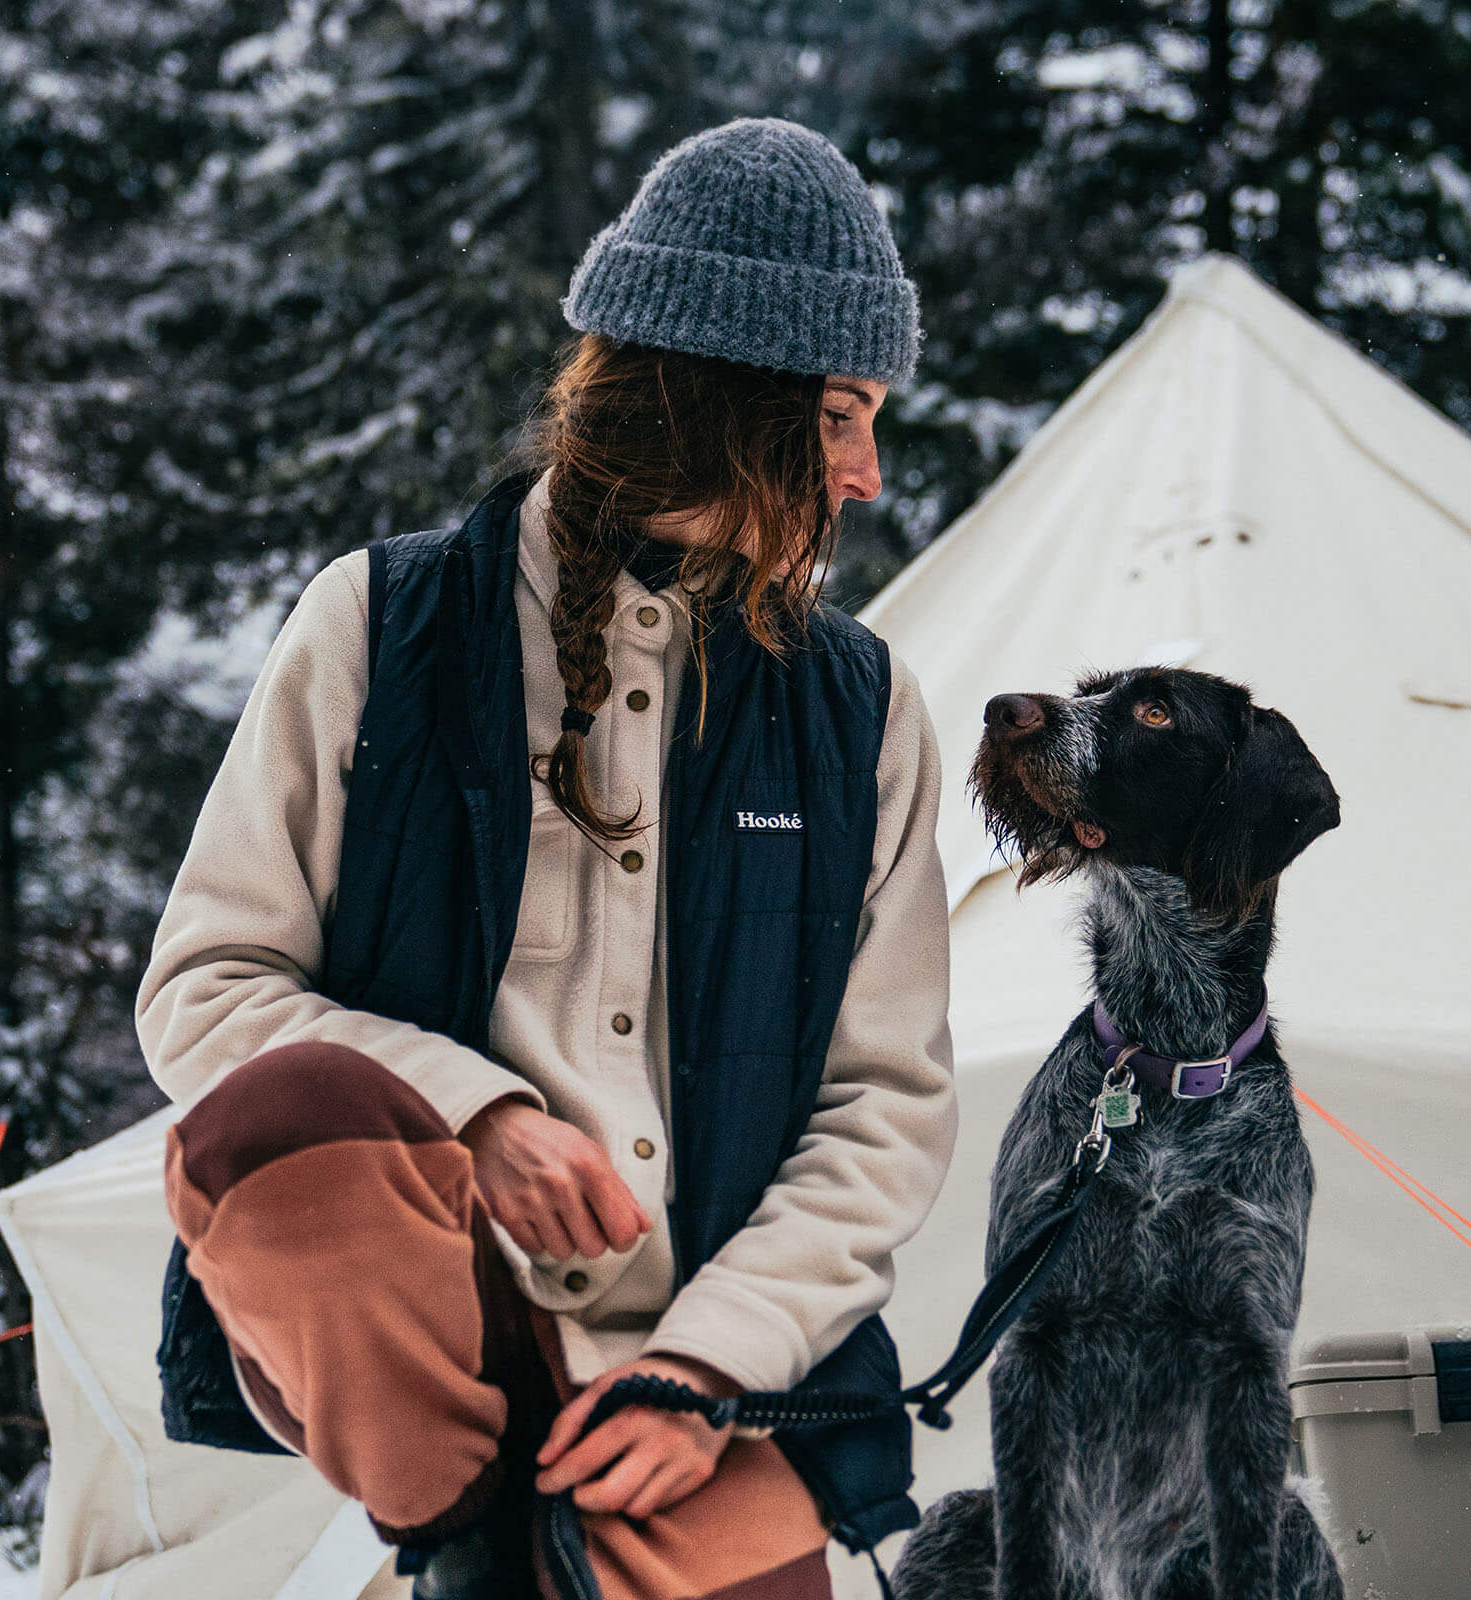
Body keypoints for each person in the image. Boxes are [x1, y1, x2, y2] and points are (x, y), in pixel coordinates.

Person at [135, 118, 957, 1600]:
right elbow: (205, 993)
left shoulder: (864, 711)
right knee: (292, 1116)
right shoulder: (378, 628)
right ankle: (463, 1518)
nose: (869, 476)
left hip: (709, 1366)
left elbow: (881, 1111)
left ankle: (511, 1545)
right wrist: (484, 1117)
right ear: (727, 404)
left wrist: (710, 1365)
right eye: (842, 417)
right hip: (423, 1323)